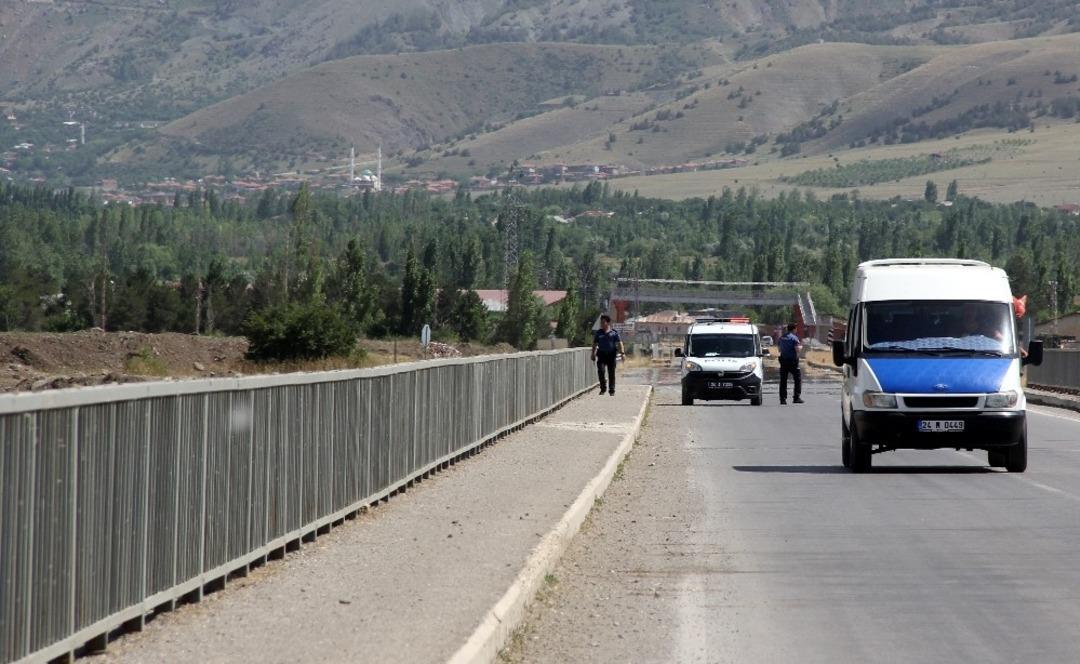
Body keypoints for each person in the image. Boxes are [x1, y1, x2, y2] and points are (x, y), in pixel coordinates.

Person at [591, 314, 625, 396]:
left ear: (608, 323)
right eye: (601, 323)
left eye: (603, 322)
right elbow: (595, 344)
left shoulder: (614, 333)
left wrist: (622, 353)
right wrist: (593, 353)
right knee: (601, 371)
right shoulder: (599, 333)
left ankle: (612, 390)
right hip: (601, 355)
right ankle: (603, 389)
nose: (601, 324)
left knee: (611, 373)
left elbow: (620, 343)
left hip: (611, 355)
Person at [778, 323, 804, 405]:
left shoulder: (781, 338)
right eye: (796, 329)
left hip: (783, 361)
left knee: (783, 380)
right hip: (792, 362)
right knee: (797, 379)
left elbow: (779, 349)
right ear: (794, 329)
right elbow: (797, 350)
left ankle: (783, 399)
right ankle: (796, 397)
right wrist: (801, 346)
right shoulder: (794, 338)